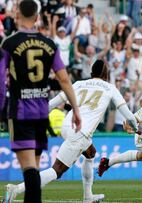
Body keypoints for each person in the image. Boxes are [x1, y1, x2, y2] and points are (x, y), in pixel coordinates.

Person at [3, 60, 139, 203]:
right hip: (80, 132)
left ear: (91, 73)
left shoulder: (79, 84)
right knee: (57, 170)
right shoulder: (110, 88)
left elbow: (52, 103)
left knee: (91, 153)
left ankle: (88, 196)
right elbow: (128, 115)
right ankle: (17, 189)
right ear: (106, 75)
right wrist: (137, 129)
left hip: (67, 125)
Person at [0, 1, 81, 202]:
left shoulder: (8, 44)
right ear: (37, 18)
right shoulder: (50, 45)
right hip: (40, 112)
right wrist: (76, 110)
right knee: (34, 169)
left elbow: (1, 82)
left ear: (17, 16)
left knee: (29, 170)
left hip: (19, 111)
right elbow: (64, 79)